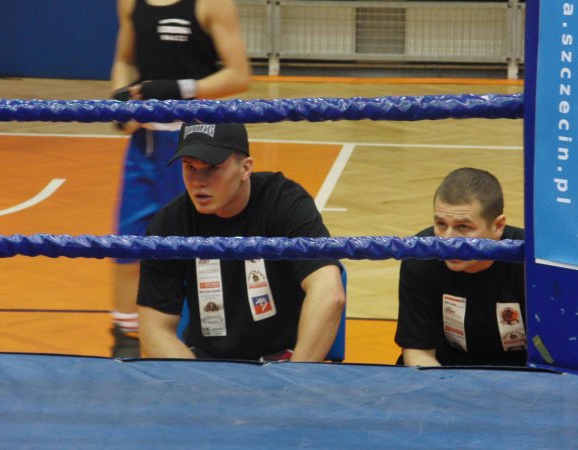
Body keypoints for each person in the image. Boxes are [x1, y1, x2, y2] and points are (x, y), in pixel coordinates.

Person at [109, 0, 251, 357]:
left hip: (198, 142)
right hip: (145, 143)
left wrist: (178, 89)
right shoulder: (130, 2)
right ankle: (126, 340)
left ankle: (204, 336)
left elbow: (239, 75)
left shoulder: (211, 3)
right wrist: (122, 100)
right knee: (128, 245)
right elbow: (124, 60)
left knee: (198, 246)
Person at [136, 122, 346, 361]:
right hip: (205, 365)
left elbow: (329, 294)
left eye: (213, 168)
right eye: (190, 167)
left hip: (283, 362)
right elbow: (154, 330)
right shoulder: (169, 224)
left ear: (246, 168)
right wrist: (197, 379)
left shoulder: (284, 202)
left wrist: (296, 377)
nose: (198, 181)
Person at [395, 167, 526, 367]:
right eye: (441, 224)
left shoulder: (531, 262)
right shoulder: (420, 255)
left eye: (463, 227)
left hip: (524, 375)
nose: (448, 240)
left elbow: (556, 359)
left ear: (498, 226)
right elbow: (418, 352)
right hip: (446, 373)